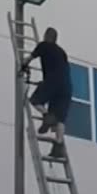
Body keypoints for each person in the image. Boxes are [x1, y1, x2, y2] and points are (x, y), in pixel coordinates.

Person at [26, 27, 71, 159]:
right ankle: (58, 145)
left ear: (46, 36)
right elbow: (60, 68)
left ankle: (47, 115)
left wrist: (22, 66)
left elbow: (29, 58)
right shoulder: (62, 52)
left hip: (53, 80)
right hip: (66, 86)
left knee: (35, 100)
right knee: (60, 118)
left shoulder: (44, 45)